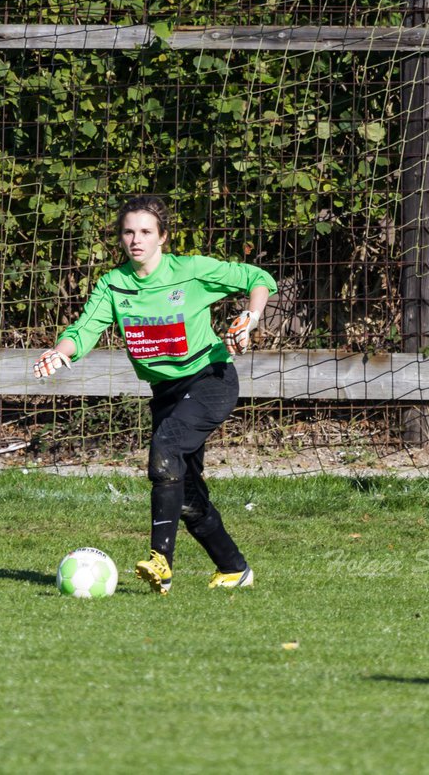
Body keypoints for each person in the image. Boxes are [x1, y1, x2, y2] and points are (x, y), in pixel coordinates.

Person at [33, 194, 276, 594]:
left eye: (146, 231)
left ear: (162, 236)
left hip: (210, 379)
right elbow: (85, 330)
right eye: (128, 232)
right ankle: (234, 568)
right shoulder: (114, 285)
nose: (136, 240)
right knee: (185, 493)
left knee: (165, 450)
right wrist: (60, 351)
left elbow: (259, 279)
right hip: (165, 393)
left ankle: (161, 561)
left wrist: (249, 318)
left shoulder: (191, 271)